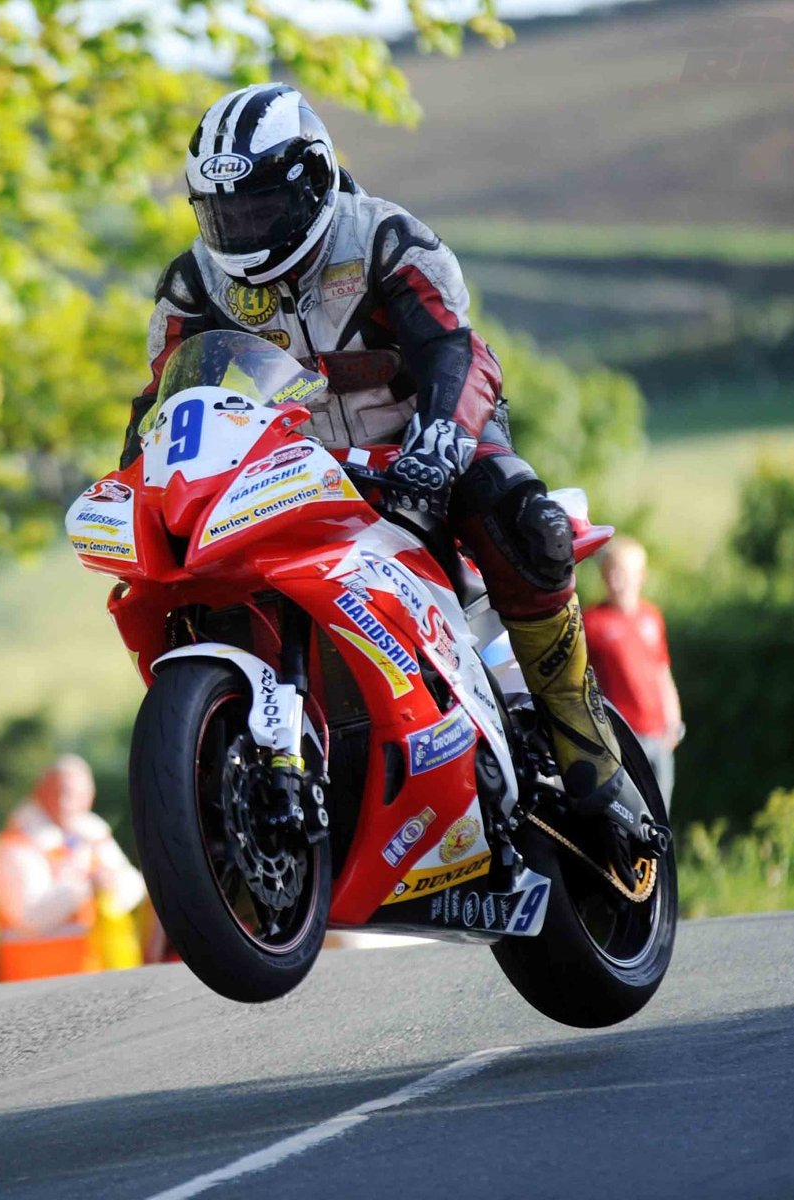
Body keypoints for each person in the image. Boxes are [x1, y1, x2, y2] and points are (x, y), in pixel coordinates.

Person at [122, 83, 655, 835]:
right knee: (186, 579)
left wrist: (442, 437)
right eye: (222, 214)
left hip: (420, 444)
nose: (240, 230)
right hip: (288, 471)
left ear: (310, 181)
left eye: (258, 207)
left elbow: (451, 346)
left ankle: (581, 736)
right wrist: (137, 482)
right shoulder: (193, 283)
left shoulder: (383, 238)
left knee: (524, 517)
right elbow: (164, 398)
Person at [0, 755, 145, 982]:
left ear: (89, 797)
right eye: (59, 792)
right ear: (40, 792)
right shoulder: (16, 844)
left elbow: (133, 885)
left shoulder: (92, 832)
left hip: (92, 977)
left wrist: (111, 885)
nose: (66, 802)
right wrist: (86, 887)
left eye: (76, 795)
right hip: (33, 983)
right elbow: (30, 917)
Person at [582, 537, 684, 804]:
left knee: (661, 810)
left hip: (659, 734)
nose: (614, 578)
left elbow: (662, 670)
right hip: (621, 736)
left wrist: (674, 718)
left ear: (640, 576)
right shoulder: (592, 621)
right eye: (610, 570)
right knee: (630, 810)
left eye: (622, 571)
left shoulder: (651, 617)